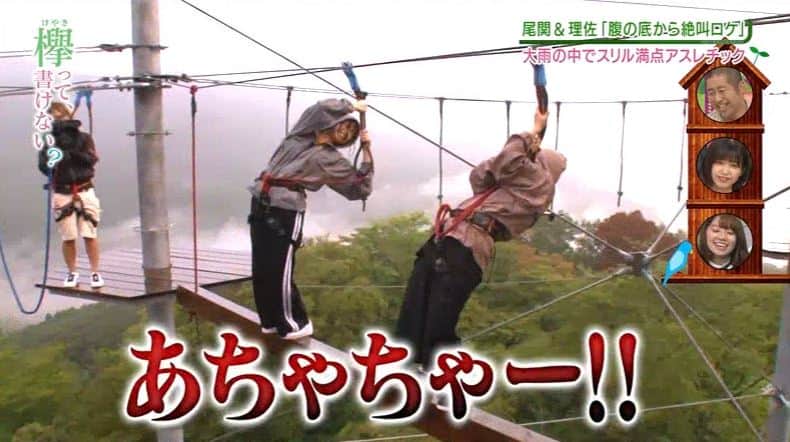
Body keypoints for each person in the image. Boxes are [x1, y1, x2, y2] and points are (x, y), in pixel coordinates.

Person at [395, 104, 566, 367]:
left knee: (440, 314)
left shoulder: (541, 185)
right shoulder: (516, 184)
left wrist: (532, 133)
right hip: (450, 235)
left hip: (467, 244)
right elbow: (481, 175)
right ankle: (405, 363)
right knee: (415, 306)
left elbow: (508, 160)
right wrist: (524, 151)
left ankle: (439, 370)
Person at [248, 98, 373, 340]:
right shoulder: (301, 135)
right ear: (332, 123)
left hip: (286, 209)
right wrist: (350, 106)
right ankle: (270, 320)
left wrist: (366, 150)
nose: (346, 132)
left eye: (350, 134)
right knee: (261, 266)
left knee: (279, 267)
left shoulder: (331, 160)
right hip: (261, 200)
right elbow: (318, 109)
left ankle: (294, 323)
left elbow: (360, 188)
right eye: (346, 126)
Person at [37, 102, 104, 288]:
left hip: (84, 189)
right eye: (54, 116)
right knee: (68, 236)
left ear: (68, 114)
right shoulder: (50, 141)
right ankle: (72, 272)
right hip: (62, 191)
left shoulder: (83, 138)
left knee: (89, 233)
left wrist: (71, 153)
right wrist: (54, 158)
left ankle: (95, 272)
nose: (57, 118)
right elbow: (43, 166)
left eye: (59, 114)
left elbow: (92, 159)